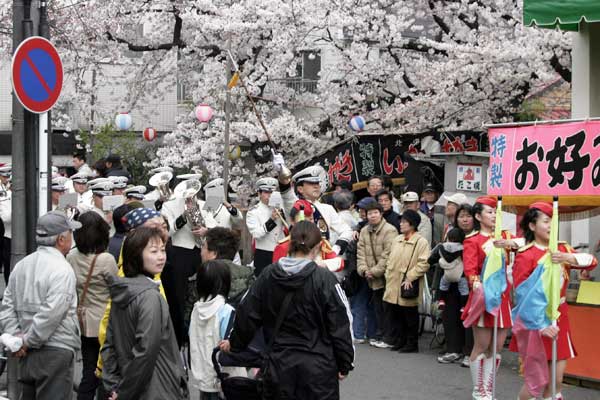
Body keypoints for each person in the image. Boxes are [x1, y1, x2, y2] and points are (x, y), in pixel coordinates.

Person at [220, 221, 354, 400]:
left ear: (290, 244)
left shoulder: (267, 275)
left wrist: (235, 344)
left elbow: (246, 314)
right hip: (319, 368)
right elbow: (341, 324)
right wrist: (345, 363)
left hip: (278, 364)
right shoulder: (325, 280)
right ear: (319, 246)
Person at [511, 202, 597, 400]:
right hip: (535, 323)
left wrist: (567, 257)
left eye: (553, 221)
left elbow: (592, 262)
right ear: (532, 226)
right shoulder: (526, 255)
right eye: (546, 221)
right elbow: (523, 297)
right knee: (535, 383)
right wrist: (540, 325)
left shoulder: (561, 249)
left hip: (559, 318)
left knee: (556, 381)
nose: (551, 225)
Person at [0, 211, 82, 399]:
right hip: (55, 350)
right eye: (70, 233)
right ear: (61, 239)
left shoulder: (22, 265)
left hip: (26, 350)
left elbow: (7, 306)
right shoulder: (62, 269)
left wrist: (17, 339)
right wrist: (27, 341)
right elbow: (51, 314)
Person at [101, 227, 188, 399]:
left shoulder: (122, 290)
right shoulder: (150, 297)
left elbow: (109, 345)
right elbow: (145, 351)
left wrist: (113, 386)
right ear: (136, 254)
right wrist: (124, 392)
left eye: (163, 250)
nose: (161, 256)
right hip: (157, 387)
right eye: (154, 251)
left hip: (127, 384)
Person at [461, 196, 522, 400]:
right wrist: (477, 285)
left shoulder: (505, 237)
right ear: (478, 216)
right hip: (484, 299)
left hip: (503, 300)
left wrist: (511, 242)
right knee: (482, 345)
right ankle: (479, 390)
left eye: (496, 212)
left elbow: (526, 244)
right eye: (489, 212)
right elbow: (470, 270)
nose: (494, 215)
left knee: (496, 347)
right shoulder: (473, 240)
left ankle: (488, 388)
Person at [67, 212, 119, 400]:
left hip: (82, 320)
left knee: (89, 367)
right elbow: (116, 288)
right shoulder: (106, 260)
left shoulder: (72, 256)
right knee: (105, 370)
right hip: (103, 322)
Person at [189, 260, 246, 400]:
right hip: (224, 379)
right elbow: (233, 343)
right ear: (225, 283)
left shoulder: (196, 309)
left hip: (203, 377)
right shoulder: (225, 311)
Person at [184, 227, 255, 333]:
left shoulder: (201, 279)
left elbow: (188, 321)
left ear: (214, 254)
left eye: (203, 247)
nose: (201, 252)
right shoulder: (250, 277)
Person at [383, 209, 431, 353]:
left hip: (408, 283)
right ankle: (400, 340)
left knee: (409, 315)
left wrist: (410, 276)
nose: (401, 224)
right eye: (401, 221)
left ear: (413, 224)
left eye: (404, 221)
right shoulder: (397, 239)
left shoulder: (421, 241)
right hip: (393, 281)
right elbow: (390, 258)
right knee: (396, 313)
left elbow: (424, 262)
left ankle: (412, 343)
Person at [278, 164, 353, 255]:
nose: (316, 186)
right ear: (300, 189)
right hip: (301, 258)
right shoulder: (295, 205)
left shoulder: (327, 208)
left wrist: (336, 248)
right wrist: (282, 173)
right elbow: (287, 195)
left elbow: (346, 230)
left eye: (317, 183)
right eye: (311, 183)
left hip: (324, 260)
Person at [436, 203, 475, 368]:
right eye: (461, 216)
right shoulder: (450, 234)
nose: (464, 220)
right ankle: (453, 349)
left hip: (470, 284)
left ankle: (469, 352)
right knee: (450, 316)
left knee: (469, 320)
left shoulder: (477, 236)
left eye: (468, 216)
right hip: (450, 284)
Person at [356, 201, 398, 347]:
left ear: (381, 214)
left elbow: (389, 255)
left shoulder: (390, 230)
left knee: (388, 308)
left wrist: (373, 272)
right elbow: (360, 253)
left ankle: (388, 338)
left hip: (387, 275)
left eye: (375, 212)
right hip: (371, 276)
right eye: (369, 213)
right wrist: (363, 270)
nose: (372, 216)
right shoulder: (364, 231)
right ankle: (381, 335)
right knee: (378, 307)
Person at [428, 227, 468, 364]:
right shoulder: (464, 248)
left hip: (446, 276)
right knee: (464, 291)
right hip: (461, 276)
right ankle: (464, 306)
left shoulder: (441, 247)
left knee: (443, 287)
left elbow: (430, 259)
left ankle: (441, 300)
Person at [246, 177, 285, 277]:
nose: (270, 195)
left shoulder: (281, 208)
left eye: (272, 192)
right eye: (266, 192)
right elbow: (256, 234)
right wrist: (271, 220)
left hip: (281, 252)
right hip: (264, 253)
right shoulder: (253, 212)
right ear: (259, 194)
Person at [0, 165, 12, 284]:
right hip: (6, 232)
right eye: (4, 177)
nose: (6, 179)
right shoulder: (4, 194)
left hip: (11, 231)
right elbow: (6, 216)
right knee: (6, 261)